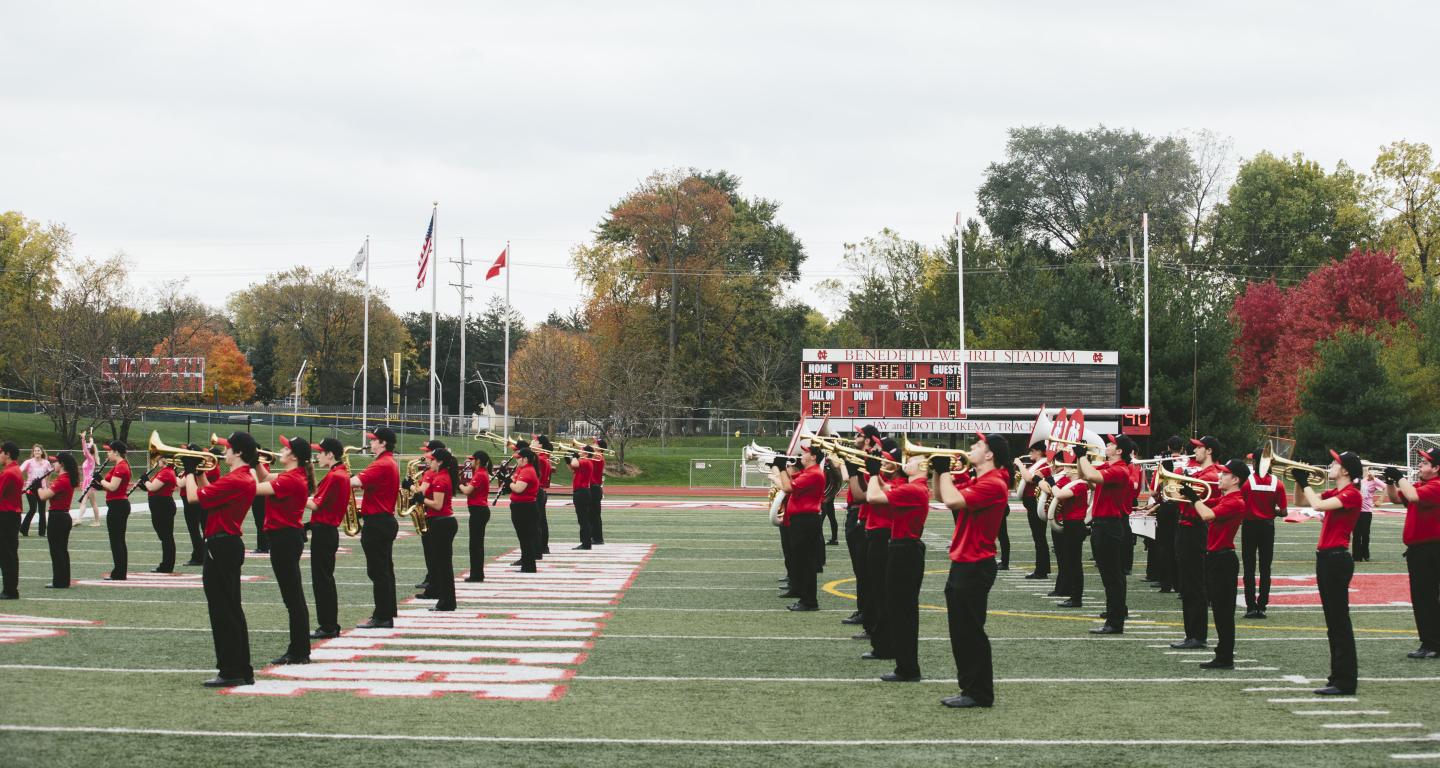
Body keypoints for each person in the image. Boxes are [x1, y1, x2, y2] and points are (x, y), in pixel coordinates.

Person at [934, 432, 1012, 708]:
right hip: (963, 562)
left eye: (978, 445)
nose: (972, 448)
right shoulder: (980, 479)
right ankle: (968, 687)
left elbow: (953, 502)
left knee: (971, 632)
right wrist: (937, 472)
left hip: (975, 564)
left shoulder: (994, 483)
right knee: (960, 632)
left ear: (990, 454)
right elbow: (941, 495)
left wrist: (944, 470)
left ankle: (980, 693)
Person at [182, 431, 260, 687]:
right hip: (226, 543)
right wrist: (200, 473)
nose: (223, 452)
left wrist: (190, 470)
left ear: (238, 452)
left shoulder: (238, 478)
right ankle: (241, 669)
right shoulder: (241, 477)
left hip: (222, 544)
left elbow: (194, 498)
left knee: (222, 611)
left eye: (228, 448)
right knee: (230, 608)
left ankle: (231, 670)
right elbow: (210, 495)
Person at [1296, 449, 1363, 696]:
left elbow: (1317, 504)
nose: (1330, 466)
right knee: (1333, 624)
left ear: (1345, 470)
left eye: (1335, 463)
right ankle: (1337, 676)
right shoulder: (1337, 492)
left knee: (1339, 622)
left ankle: (1345, 681)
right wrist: (1297, 481)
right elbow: (1303, 502)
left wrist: (1305, 483)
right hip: (1326, 558)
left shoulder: (1352, 494)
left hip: (1336, 559)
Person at [865, 451, 931, 682]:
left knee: (902, 612)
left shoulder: (914, 489)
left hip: (905, 551)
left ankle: (908, 668)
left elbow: (872, 497)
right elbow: (882, 491)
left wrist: (873, 472)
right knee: (900, 610)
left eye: (912, 459)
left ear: (923, 465)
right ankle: (905, 665)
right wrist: (878, 476)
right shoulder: (914, 488)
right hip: (904, 548)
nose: (906, 461)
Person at [1187, 459, 1250, 669]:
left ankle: (1225, 657)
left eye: (1224, 474)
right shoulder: (1226, 498)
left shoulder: (1235, 501)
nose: (1219, 477)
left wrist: (1193, 497)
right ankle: (1222, 655)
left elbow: (1206, 514)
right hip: (1215, 557)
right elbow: (1200, 508)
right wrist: (1187, 494)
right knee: (1219, 611)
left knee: (1223, 612)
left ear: (1236, 480)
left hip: (1223, 559)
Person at [254, 436, 312, 665]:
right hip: (285, 538)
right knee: (293, 597)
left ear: (294, 456)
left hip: (284, 539)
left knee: (293, 598)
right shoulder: (292, 475)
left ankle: (299, 651)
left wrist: (247, 464)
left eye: (285, 448)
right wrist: (256, 462)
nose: (280, 450)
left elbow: (254, 488)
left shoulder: (291, 479)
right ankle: (298, 648)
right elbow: (266, 477)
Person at [1077, 434, 1138, 635]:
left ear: (1120, 451)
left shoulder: (1120, 470)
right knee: (1109, 575)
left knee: (1113, 576)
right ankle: (1113, 616)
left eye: (1111, 443)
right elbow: (1085, 476)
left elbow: (1093, 476)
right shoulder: (1110, 467)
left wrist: (1082, 457)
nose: (1108, 445)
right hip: (1102, 525)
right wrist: (1080, 458)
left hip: (1110, 526)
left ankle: (1116, 621)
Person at [1385, 448, 1440, 659]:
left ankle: (1431, 644)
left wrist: (1399, 477)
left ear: (1436, 468)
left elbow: (1412, 496)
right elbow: (1395, 499)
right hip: (1421, 550)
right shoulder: (1422, 485)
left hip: (1430, 549)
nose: (1420, 465)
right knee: (1424, 597)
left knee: (1425, 597)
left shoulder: (1436, 486)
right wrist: (1390, 481)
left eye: (1425, 463)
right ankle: (1432, 642)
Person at [1170, 436, 1220, 649]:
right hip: (1185, 528)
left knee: (1195, 584)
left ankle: (1197, 635)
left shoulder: (1212, 475)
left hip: (1195, 529)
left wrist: (1182, 480)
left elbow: (1190, 495)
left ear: (1208, 451)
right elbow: (1173, 495)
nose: (1194, 451)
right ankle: (1191, 633)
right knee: (1187, 584)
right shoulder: (1199, 473)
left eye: (1198, 448)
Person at [350, 428, 399, 629]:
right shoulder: (388, 462)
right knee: (384, 569)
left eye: (374, 440)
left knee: (378, 571)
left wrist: (338, 474)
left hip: (378, 522)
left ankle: (382, 616)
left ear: (383, 443)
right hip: (382, 520)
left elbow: (354, 482)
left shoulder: (382, 464)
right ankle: (388, 610)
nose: (371, 443)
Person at [861, 437, 901, 659]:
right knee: (876, 591)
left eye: (886, 462)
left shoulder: (899, 486)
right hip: (878, 536)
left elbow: (872, 496)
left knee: (881, 593)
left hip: (884, 537)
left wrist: (873, 472)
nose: (882, 464)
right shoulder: (890, 483)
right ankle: (880, 640)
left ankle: (884, 643)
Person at [305, 438, 348, 640]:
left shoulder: (335, 476)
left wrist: (294, 493)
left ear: (330, 454)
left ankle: (328, 625)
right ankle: (329, 623)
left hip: (325, 532)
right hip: (325, 529)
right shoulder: (337, 473)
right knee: (324, 579)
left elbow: (316, 505)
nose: (317, 456)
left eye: (320, 453)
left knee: (322, 581)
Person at [774, 447, 824, 612]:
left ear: (814, 457)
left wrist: (781, 467)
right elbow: (787, 482)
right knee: (801, 561)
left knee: (806, 562)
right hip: (801, 520)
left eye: (806, 453)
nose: (802, 455)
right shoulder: (808, 472)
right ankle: (804, 597)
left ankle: (809, 601)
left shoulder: (814, 473)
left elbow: (788, 488)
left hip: (806, 520)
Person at [1242, 447, 1288, 619]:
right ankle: (1262, 605)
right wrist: (1272, 510)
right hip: (1268, 527)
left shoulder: (1246, 483)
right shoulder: (1278, 483)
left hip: (1249, 526)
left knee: (1249, 567)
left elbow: (1241, 506)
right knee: (1265, 567)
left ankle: (1250, 606)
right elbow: (1284, 512)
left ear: (1255, 462)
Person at [1041, 453, 1089, 608]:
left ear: (1076, 469)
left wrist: (1050, 482)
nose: (1066, 470)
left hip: (1075, 525)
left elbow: (1060, 494)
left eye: (1069, 467)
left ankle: (1076, 597)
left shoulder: (1080, 484)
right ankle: (1073, 595)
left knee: (1074, 563)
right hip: (1070, 524)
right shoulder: (1072, 483)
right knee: (1071, 561)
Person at [415, 448, 459, 611]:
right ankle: (445, 600)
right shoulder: (442, 476)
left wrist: (422, 499)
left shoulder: (441, 478)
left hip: (442, 522)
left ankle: (447, 602)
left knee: (444, 565)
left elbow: (438, 505)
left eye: (432, 460)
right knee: (442, 564)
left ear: (439, 462)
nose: (429, 462)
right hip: (441, 522)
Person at [38, 452, 78, 588]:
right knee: (61, 550)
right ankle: (62, 580)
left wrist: (37, 486)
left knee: (56, 550)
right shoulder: (65, 478)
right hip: (63, 516)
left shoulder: (62, 480)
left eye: (55, 462)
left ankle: (59, 581)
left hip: (58, 517)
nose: (53, 464)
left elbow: (44, 496)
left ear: (62, 464)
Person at [1014, 443, 1051, 581]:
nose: (1031, 454)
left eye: (1033, 451)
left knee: (1039, 537)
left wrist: (1019, 465)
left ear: (1040, 452)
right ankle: (1043, 568)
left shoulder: (1044, 465)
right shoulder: (1037, 464)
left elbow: (1029, 478)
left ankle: (1041, 570)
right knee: (1038, 537)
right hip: (1032, 504)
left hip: (1036, 503)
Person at [96, 440, 132, 581]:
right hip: (117, 504)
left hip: (118, 505)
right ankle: (119, 571)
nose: (107, 453)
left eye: (109, 450)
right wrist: (100, 486)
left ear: (116, 452)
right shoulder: (119, 465)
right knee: (118, 540)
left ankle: (119, 572)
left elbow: (113, 487)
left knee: (116, 540)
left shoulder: (121, 466)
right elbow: (110, 486)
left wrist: (100, 480)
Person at [458, 450, 492, 583]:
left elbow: (467, 491)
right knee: (476, 544)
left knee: (475, 545)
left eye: (472, 459)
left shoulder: (480, 474)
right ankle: (477, 573)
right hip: (479, 510)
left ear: (477, 461)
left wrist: (459, 483)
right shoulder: (480, 473)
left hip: (479, 511)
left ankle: (476, 575)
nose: (470, 461)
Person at [143, 455, 179, 573]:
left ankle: (167, 565)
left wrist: (145, 481)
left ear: (164, 461)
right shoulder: (165, 472)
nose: (157, 461)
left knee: (166, 537)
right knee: (165, 536)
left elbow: (153, 487)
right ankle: (167, 564)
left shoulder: (166, 472)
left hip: (162, 506)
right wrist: (144, 484)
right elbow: (153, 487)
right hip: (161, 505)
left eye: (159, 459)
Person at [508, 448, 541, 573]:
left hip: (524, 507)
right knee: (524, 537)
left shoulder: (527, 471)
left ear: (525, 459)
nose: (517, 460)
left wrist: (509, 483)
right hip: (522, 506)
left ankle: (528, 566)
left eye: (518, 458)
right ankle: (528, 564)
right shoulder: (524, 469)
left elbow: (518, 488)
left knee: (525, 537)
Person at [0, 442, 24, 599]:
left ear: (7, 454)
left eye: (1, 452)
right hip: (11, 515)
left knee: (7, 554)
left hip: (6, 515)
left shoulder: (9, 472)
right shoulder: (14, 470)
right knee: (9, 554)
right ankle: (10, 588)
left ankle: (10, 590)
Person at [180, 443, 210, 566]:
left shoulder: (202, 470)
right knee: (196, 530)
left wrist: (187, 472)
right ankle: (199, 554)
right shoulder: (198, 470)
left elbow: (180, 483)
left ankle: (199, 555)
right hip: (193, 499)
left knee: (194, 530)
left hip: (194, 501)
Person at [1353, 467, 1385, 562]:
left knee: (1365, 533)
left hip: (1366, 511)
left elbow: (1386, 487)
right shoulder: (1356, 479)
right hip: (1355, 511)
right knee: (1356, 534)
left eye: (1365, 467)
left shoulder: (1372, 479)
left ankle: (1365, 554)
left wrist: (1380, 500)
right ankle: (1356, 556)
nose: (1363, 469)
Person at [19, 444, 50, 537]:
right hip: (30, 488)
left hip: (42, 489)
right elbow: (19, 471)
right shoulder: (28, 462)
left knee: (42, 510)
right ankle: (23, 529)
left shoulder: (46, 463)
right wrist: (22, 485)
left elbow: (49, 473)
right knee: (32, 508)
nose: (37, 452)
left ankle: (42, 532)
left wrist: (47, 485)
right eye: (35, 450)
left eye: (38, 450)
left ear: (41, 452)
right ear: (33, 452)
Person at [568, 444, 594, 550]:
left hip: (582, 492)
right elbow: (572, 468)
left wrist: (574, 456)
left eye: (581, 451)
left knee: (583, 519)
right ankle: (585, 542)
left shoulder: (585, 461)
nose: (579, 451)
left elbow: (574, 463)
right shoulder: (584, 462)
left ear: (586, 453)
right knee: (582, 519)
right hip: (581, 492)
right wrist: (568, 459)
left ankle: (586, 543)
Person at [535, 436, 554, 556]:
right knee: (541, 521)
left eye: (535, 441)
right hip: (541, 491)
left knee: (539, 522)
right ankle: (543, 546)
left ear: (541, 445)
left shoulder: (540, 459)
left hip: (538, 491)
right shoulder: (543, 457)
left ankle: (541, 547)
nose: (533, 442)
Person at [78, 429, 102, 526]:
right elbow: (90, 446)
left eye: (87, 449)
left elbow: (85, 449)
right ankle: (97, 521)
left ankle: (79, 519)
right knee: (93, 503)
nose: (84, 451)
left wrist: (83, 439)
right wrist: (91, 440)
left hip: (89, 482)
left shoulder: (90, 458)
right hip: (88, 482)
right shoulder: (91, 458)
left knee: (83, 501)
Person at [589, 439, 607, 545]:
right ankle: (595, 537)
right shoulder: (595, 455)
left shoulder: (598, 456)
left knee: (594, 515)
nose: (592, 445)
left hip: (594, 488)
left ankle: (597, 538)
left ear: (600, 447)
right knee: (592, 515)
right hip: (593, 487)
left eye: (595, 444)